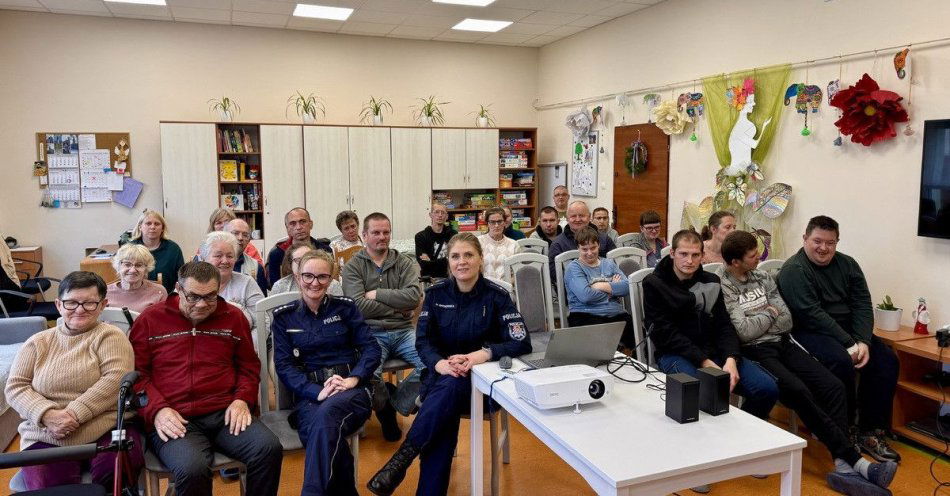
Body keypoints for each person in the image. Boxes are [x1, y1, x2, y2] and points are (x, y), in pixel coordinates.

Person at [721, 231, 898, 494]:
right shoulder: (723, 285)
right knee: (799, 391)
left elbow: (787, 320)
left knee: (833, 386)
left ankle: (843, 464)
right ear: (735, 262)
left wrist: (764, 317)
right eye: (752, 255)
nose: (759, 257)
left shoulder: (762, 276)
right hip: (756, 351)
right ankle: (855, 464)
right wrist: (770, 311)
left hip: (783, 342)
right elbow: (744, 332)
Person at [366, 233, 532, 496]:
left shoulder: (497, 296)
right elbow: (423, 342)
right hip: (443, 379)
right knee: (443, 414)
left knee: (444, 400)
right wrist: (440, 363)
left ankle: (401, 460)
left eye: (468, 255)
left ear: (480, 259)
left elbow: (522, 342)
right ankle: (408, 467)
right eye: (455, 256)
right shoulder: (435, 295)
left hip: (482, 386)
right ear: (448, 262)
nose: (462, 262)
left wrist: (482, 354)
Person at [130, 261, 282, 496]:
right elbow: (138, 377)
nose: (202, 304)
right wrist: (157, 410)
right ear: (178, 289)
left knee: (268, 449)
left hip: (224, 412)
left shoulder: (233, 317)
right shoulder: (150, 320)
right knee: (192, 469)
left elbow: (249, 367)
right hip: (175, 415)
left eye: (210, 296)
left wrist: (242, 399)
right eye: (193, 297)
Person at [777, 215, 901, 463]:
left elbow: (862, 304)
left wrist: (863, 341)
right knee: (841, 362)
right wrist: (849, 344)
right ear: (805, 239)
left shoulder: (848, 264)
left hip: (848, 333)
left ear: (837, 242)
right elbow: (811, 314)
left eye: (830, 242)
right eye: (817, 241)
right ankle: (845, 433)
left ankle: (872, 431)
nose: (823, 248)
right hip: (810, 332)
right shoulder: (794, 270)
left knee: (886, 359)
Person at [5, 271, 144, 491]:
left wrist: (73, 415)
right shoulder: (37, 342)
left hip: (106, 426)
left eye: (89, 303)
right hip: (46, 434)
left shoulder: (110, 336)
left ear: (102, 305)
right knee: (49, 487)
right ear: (59, 305)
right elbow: (16, 386)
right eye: (71, 303)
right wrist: (48, 415)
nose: (79, 309)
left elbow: (115, 380)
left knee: (116, 474)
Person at [272, 250, 381, 496]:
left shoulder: (346, 309)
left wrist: (354, 378)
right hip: (311, 395)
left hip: (350, 390)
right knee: (323, 428)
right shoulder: (283, 318)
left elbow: (371, 348)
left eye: (322, 277)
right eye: (308, 276)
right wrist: (317, 392)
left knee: (324, 419)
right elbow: (284, 366)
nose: (314, 282)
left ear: (331, 279)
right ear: (298, 277)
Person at [644, 229, 778, 419]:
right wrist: (704, 362)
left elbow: (724, 325)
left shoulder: (712, 281)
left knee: (767, 389)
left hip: (714, 351)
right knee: (702, 391)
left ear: (702, 255)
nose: (689, 260)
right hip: (675, 353)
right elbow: (665, 334)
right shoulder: (654, 284)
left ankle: (738, 437)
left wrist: (731, 358)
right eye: (683, 254)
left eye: (695, 255)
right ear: (672, 253)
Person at [342, 212, 426, 442]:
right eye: (376, 233)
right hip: (370, 333)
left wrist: (377, 294)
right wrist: (397, 308)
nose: (382, 237)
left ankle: (396, 402)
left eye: (386, 232)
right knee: (369, 375)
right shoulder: (352, 267)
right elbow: (357, 306)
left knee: (432, 365)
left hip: (403, 330)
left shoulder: (404, 263)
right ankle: (384, 410)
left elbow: (413, 297)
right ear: (365, 235)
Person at [564, 227, 634, 348]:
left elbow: (627, 287)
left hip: (615, 314)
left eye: (593, 248)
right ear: (578, 248)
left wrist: (601, 285)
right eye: (584, 249)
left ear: (599, 245)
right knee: (603, 347)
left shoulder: (609, 263)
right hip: (585, 315)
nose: (589, 253)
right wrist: (612, 290)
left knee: (640, 338)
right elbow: (586, 296)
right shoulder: (574, 267)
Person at [198, 231, 264, 327]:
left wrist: (249, 342)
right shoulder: (191, 284)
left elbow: (262, 322)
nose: (225, 261)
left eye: (230, 256)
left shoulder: (247, 283)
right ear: (204, 259)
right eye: (218, 256)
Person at [549, 200, 617, 281]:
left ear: (589, 217)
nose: (578, 219)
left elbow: (615, 265)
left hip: (606, 284)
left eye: (581, 215)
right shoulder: (558, 244)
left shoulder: (604, 239)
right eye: (573, 216)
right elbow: (555, 275)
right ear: (567, 218)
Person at [266, 208, 331, 289]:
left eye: (302, 222)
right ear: (287, 228)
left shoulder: (324, 250)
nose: (299, 227)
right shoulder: (277, 254)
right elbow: (274, 286)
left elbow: (330, 280)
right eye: (293, 223)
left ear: (311, 224)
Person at [131, 209, 185, 294]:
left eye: (157, 224)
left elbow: (182, 278)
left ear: (162, 228)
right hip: (135, 296)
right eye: (148, 223)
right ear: (140, 227)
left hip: (167, 296)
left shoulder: (173, 249)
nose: (152, 227)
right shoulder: (130, 248)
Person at [106, 243, 168, 313]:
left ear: (146, 269)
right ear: (118, 266)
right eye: (127, 264)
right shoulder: (104, 292)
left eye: (138, 265)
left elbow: (162, 322)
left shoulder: (158, 292)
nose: (132, 270)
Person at [272, 241, 343, 297]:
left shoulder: (333, 285)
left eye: (309, 259)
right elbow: (268, 314)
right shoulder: (279, 287)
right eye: (299, 260)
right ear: (290, 264)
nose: (304, 264)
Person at [225, 218, 268, 294]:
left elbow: (261, 302)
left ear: (249, 240)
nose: (240, 238)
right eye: (235, 233)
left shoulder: (256, 267)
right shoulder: (211, 262)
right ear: (224, 235)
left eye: (245, 235)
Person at [415, 203, 457, 279]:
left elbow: (455, 260)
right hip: (429, 279)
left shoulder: (453, 235)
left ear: (447, 216)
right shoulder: (421, 236)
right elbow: (424, 265)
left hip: (450, 278)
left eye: (443, 212)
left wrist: (431, 261)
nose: (440, 215)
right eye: (437, 212)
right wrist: (446, 260)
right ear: (431, 215)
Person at [477, 207, 519, 284]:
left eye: (499, 221)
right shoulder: (478, 242)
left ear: (504, 223)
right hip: (483, 288)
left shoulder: (514, 245)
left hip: (506, 289)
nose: (496, 225)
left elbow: (517, 272)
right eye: (492, 222)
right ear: (487, 223)